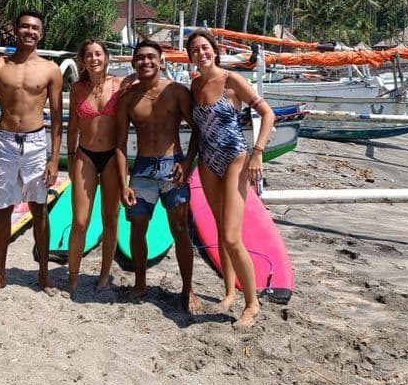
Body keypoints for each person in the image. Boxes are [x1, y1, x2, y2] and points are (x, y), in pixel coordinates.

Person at [186, 28, 275, 329]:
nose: (201, 53)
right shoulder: (195, 86)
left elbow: (268, 113)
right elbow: (198, 130)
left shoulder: (231, 81)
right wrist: (188, 162)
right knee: (218, 226)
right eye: (195, 49)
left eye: (205, 47)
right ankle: (228, 291)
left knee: (231, 237)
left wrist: (259, 153)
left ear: (214, 50)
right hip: (208, 162)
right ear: (191, 56)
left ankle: (252, 303)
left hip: (236, 159)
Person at [0, 10, 62, 294]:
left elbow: (58, 118)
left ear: (41, 33)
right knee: (3, 207)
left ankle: (44, 274)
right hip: (6, 142)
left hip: (36, 143)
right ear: (15, 30)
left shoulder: (50, 70)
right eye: (24, 26)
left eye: (34, 27)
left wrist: (53, 159)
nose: (29, 31)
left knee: (39, 209)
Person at [115, 40, 201, 313]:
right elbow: (119, 144)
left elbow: (197, 129)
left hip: (172, 165)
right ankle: (140, 284)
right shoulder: (128, 99)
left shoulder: (176, 92)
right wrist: (122, 182)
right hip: (142, 169)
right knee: (137, 228)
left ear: (161, 61)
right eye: (140, 58)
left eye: (151, 57)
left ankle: (188, 289)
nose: (146, 62)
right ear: (133, 64)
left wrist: (187, 163)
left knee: (180, 230)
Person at [65, 40, 125, 296]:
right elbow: (72, 127)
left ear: (106, 58)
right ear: (83, 60)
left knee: (110, 220)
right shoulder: (77, 88)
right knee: (80, 221)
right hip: (85, 155)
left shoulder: (120, 86)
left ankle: (103, 276)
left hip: (113, 157)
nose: (94, 59)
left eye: (98, 54)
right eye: (88, 55)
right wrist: (68, 157)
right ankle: (73, 276)